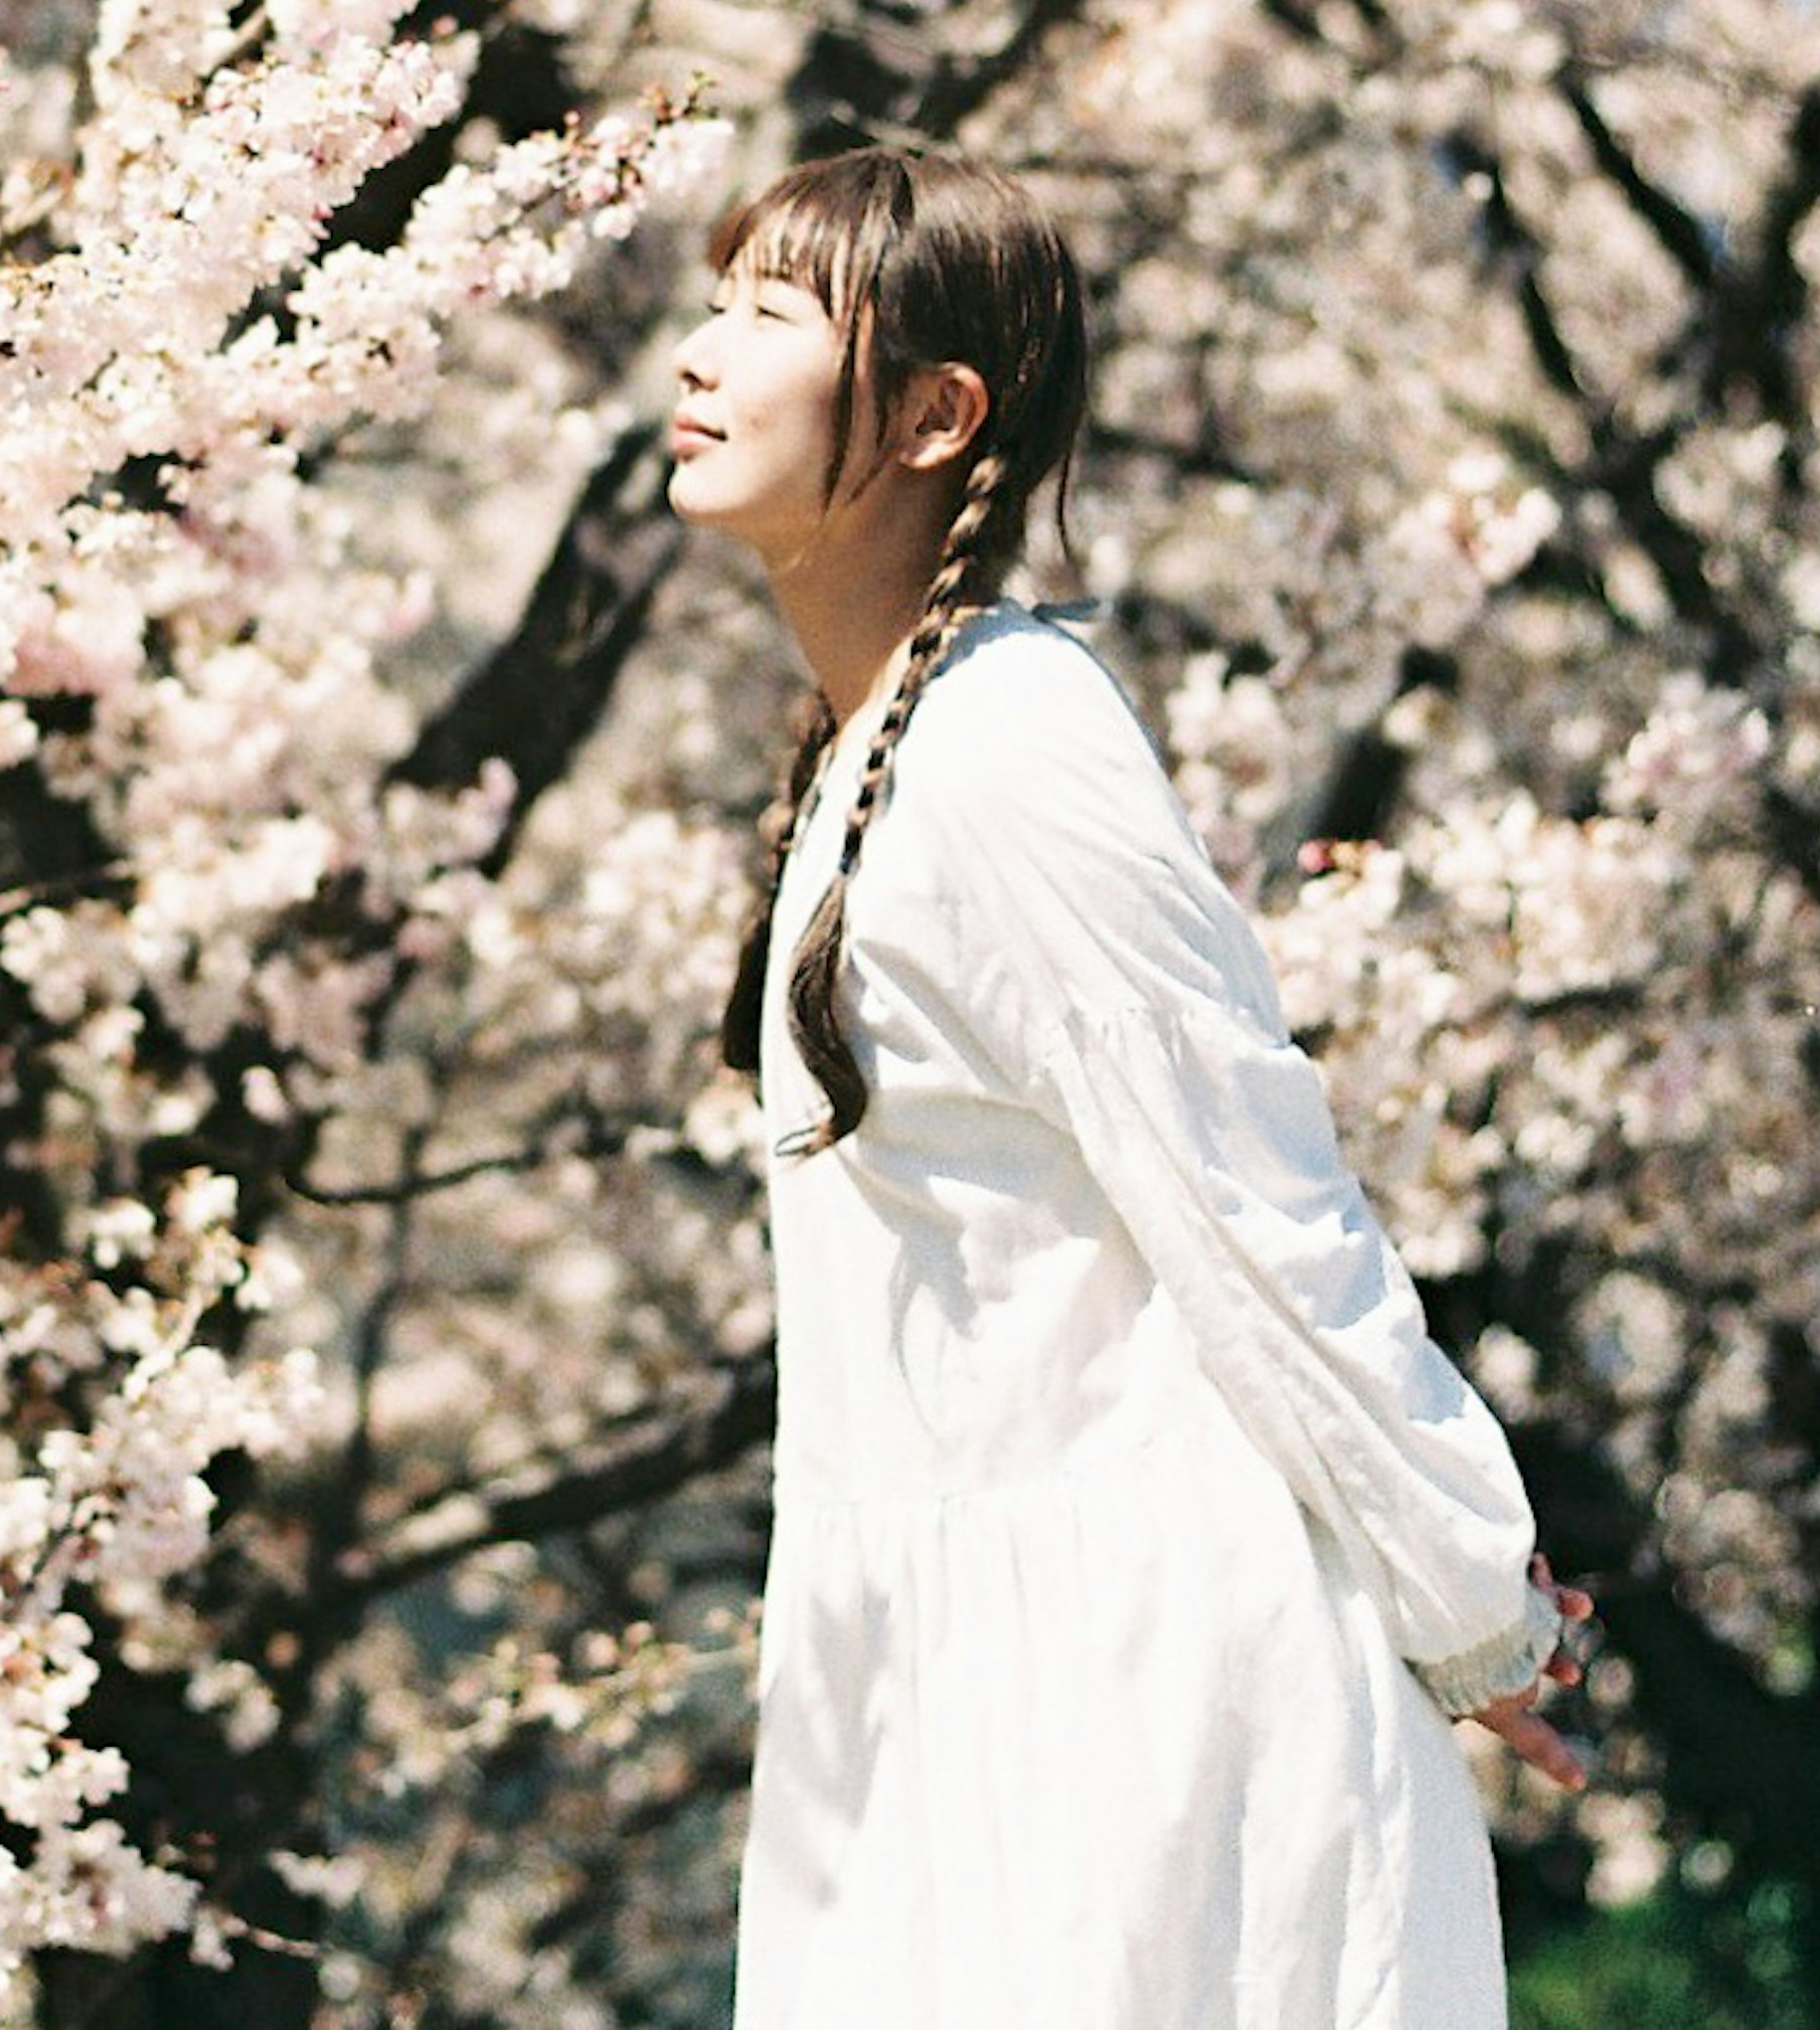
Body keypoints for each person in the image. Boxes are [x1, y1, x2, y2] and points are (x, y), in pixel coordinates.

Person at [665, 147, 1588, 2030]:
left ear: (936, 416)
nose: (699, 354)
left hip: (1139, 1685)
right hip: (951, 1667)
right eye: (717, 300)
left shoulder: (1012, 741)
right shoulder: (878, 751)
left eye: (768, 313)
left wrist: (1470, 1591)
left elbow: (1248, 1185)